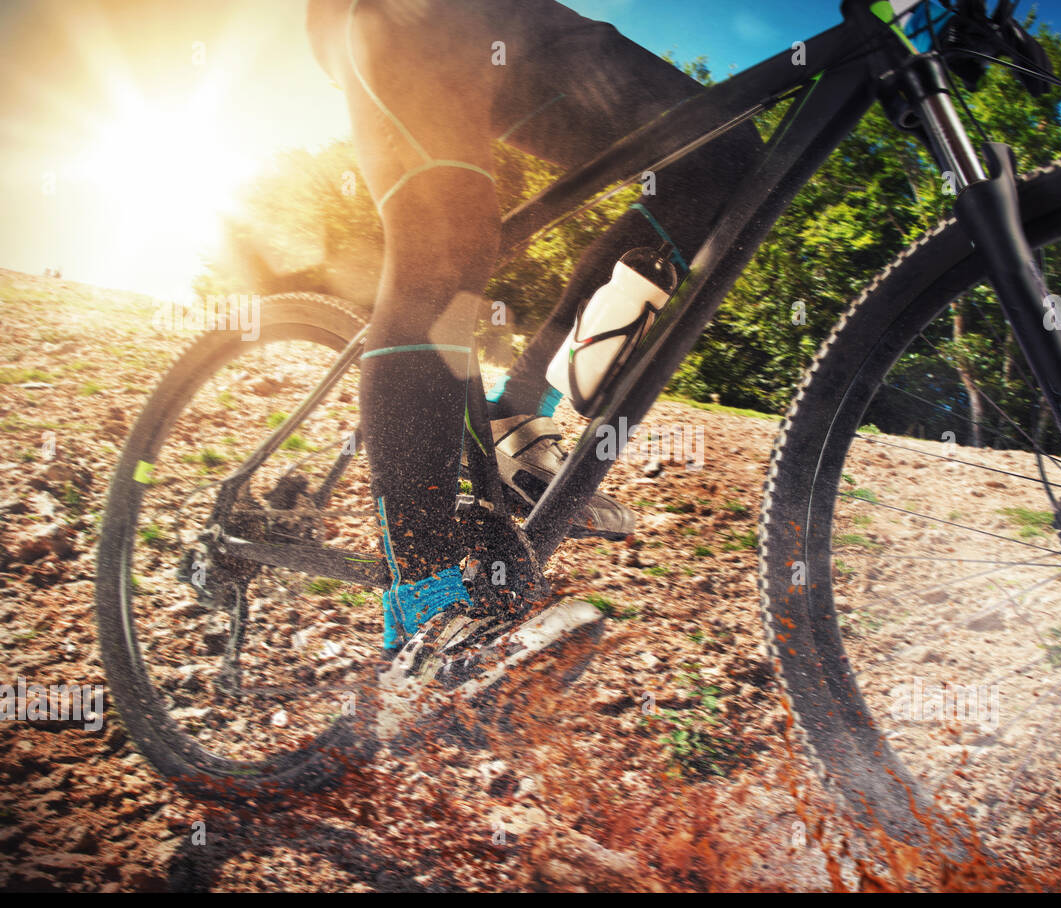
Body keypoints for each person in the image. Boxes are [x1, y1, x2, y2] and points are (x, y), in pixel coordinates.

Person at [306, 0, 761, 651]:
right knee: (448, 236)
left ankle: (516, 412)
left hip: (517, 18)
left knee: (717, 147)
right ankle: (424, 607)